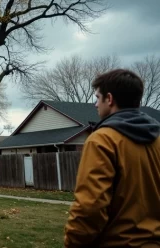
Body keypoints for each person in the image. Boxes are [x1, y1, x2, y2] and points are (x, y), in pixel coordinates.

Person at [64, 69, 160, 247]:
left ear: (109, 99)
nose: (95, 104)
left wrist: (73, 242)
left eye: (97, 97)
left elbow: (90, 207)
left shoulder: (103, 140)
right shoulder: (157, 140)